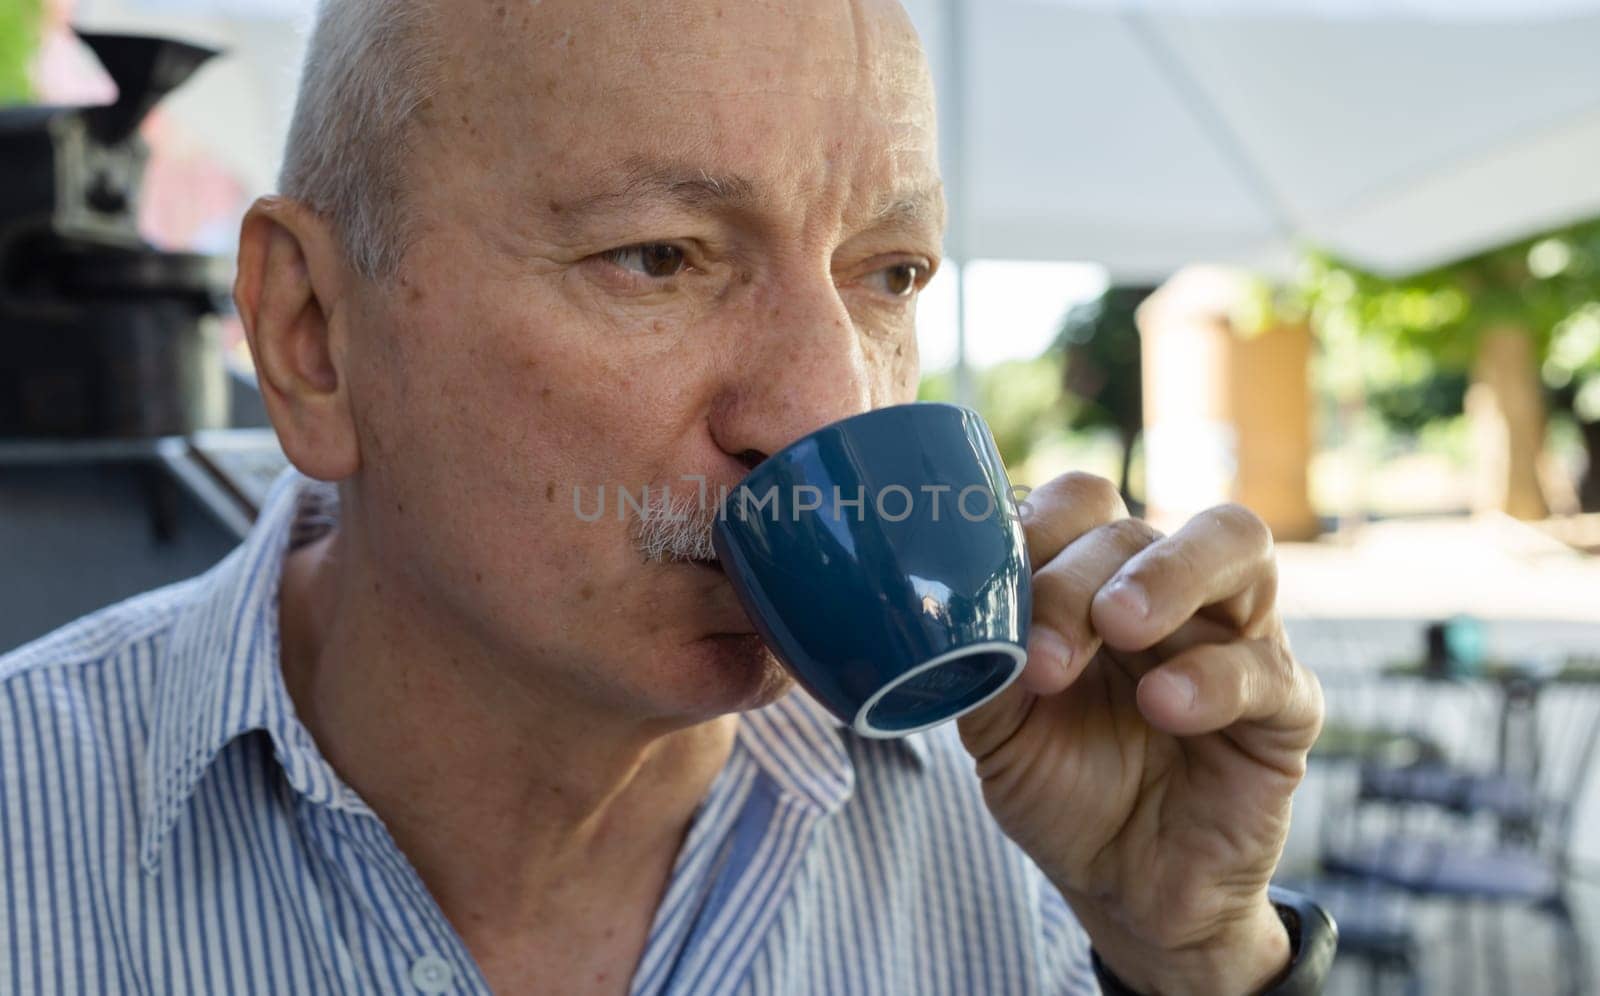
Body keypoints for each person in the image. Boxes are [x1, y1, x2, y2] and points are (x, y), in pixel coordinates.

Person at [0, 0, 1330, 992]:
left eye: (892, 275)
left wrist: (1194, 956)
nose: (827, 405)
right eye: (659, 256)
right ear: (310, 335)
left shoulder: (1035, 833)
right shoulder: (27, 828)